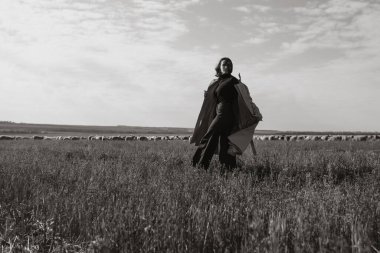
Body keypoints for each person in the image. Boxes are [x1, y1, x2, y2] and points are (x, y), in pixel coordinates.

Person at [191, 57, 262, 171]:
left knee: (209, 137)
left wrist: (254, 112)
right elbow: (214, 98)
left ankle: (200, 166)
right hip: (219, 113)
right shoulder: (217, 82)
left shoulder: (234, 81)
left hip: (225, 114)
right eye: (224, 64)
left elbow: (246, 97)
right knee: (224, 141)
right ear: (219, 66)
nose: (227, 66)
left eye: (229, 64)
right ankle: (228, 168)